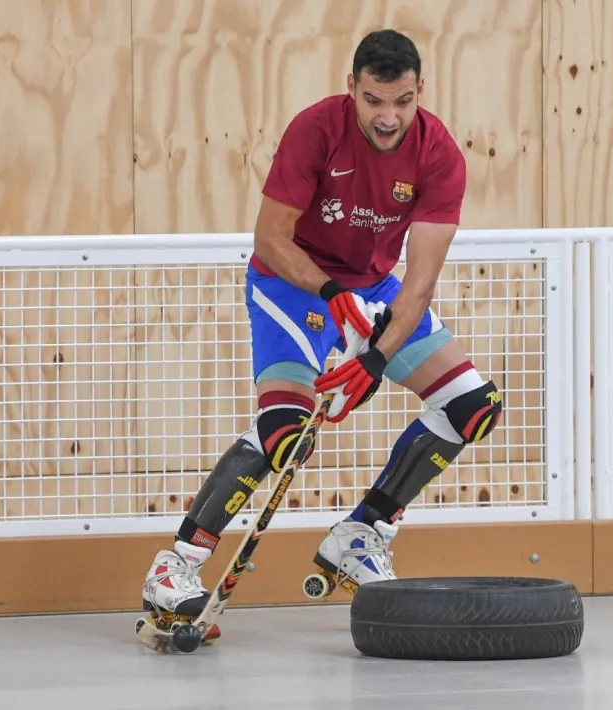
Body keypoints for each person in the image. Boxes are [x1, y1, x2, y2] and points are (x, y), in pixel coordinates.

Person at [139, 29, 504, 644]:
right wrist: (334, 296)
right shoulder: (316, 130)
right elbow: (270, 240)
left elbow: (417, 288)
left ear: (421, 92)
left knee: (472, 407)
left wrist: (376, 357)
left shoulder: (440, 155)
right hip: (292, 281)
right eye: (374, 101)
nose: (388, 117)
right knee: (288, 434)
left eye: (403, 101)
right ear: (352, 90)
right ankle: (175, 564)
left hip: (377, 289)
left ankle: (363, 534)